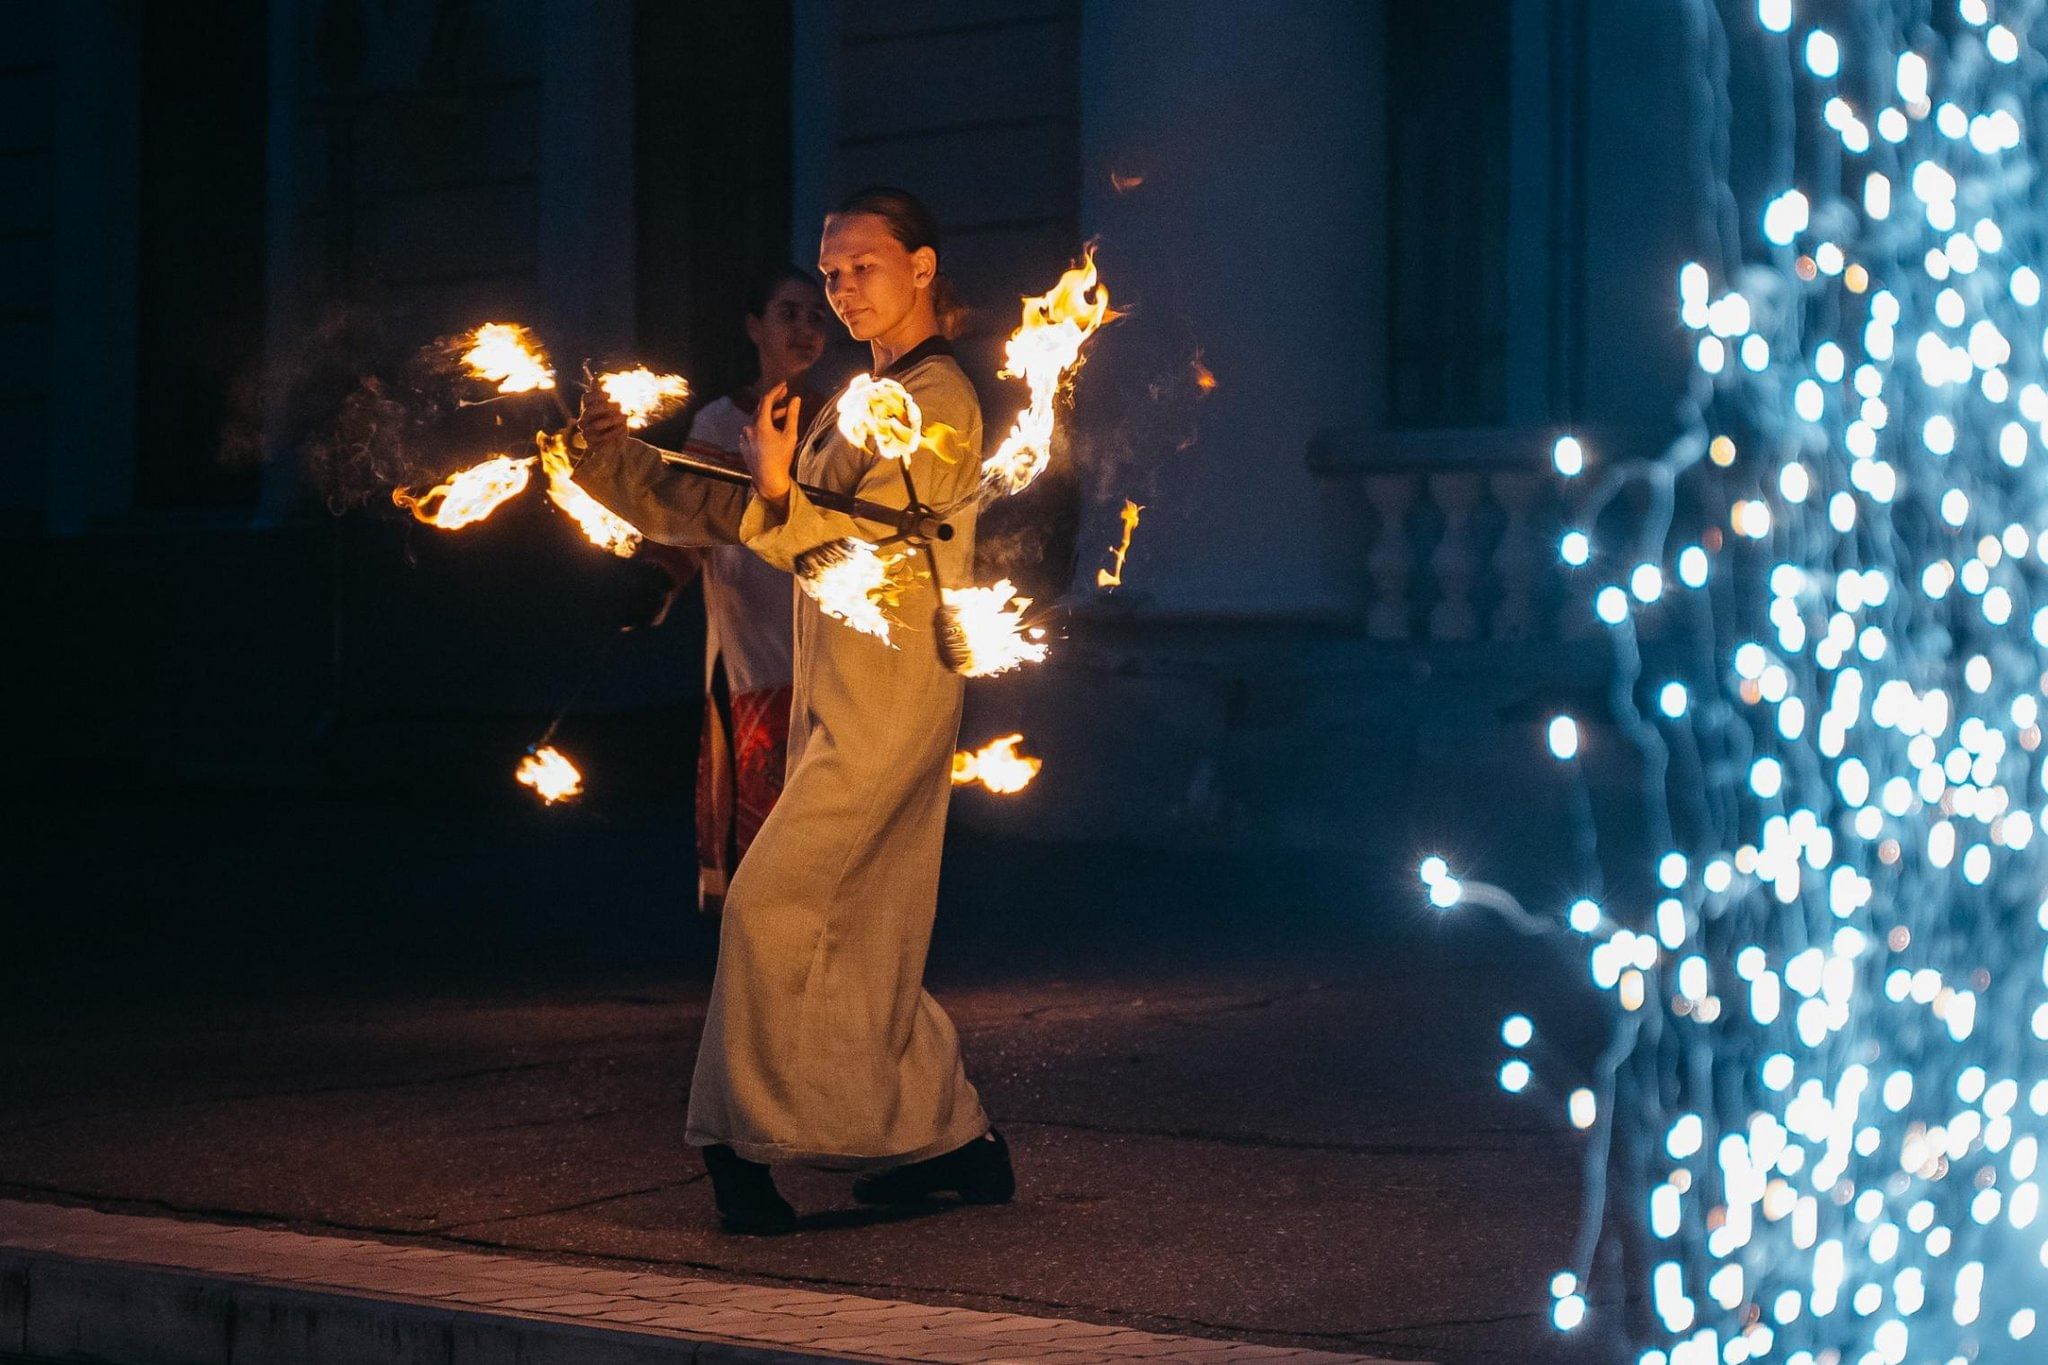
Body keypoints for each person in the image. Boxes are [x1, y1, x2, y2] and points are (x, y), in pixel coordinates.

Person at [574, 188, 1013, 1234]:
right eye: (829, 272)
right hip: (838, 700)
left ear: (922, 267)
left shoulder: (938, 398)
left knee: (771, 907)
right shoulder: (851, 399)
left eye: (864, 265)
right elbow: (744, 509)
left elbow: (855, 530)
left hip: (890, 708)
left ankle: (735, 1155)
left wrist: (776, 491)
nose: (842, 288)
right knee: (863, 932)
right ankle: (953, 1142)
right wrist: (608, 466)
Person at [679, 268, 829, 914]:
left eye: (815, 318)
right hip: (750, 648)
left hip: (824, 640)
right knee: (759, 806)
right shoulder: (719, 423)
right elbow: (689, 525)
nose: (805, 328)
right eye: (789, 313)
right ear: (754, 327)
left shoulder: (839, 420)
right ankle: (753, 949)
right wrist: (658, 582)